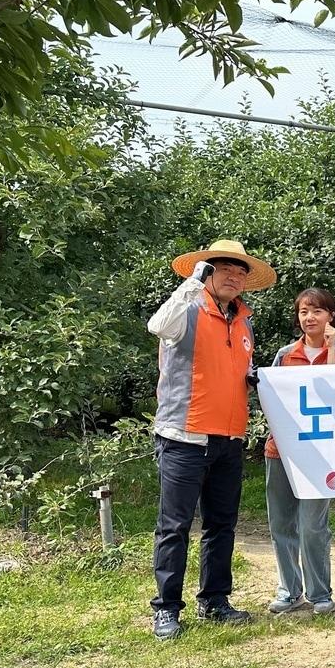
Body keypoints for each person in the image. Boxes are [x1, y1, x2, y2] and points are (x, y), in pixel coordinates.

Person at [146, 239, 276, 640]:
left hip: (230, 438)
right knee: (175, 526)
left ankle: (215, 601)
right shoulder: (186, 309)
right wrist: (192, 281)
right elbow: (157, 326)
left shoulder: (244, 321)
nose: (234, 278)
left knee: (222, 525)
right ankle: (166, 608)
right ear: (207, 271)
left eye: (241, 273)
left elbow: (243, 368)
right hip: (184, 436)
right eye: (225, 270)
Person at [262, 288, 335, 618]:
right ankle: (289, 590)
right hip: (281, 450)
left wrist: (328, 349)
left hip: (324, 454)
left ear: (331, 316)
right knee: (281, 523)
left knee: (314, 525)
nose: (309, 317)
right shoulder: (285, 355)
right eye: (303, 312)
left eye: (317, 311)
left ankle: (320, 592)